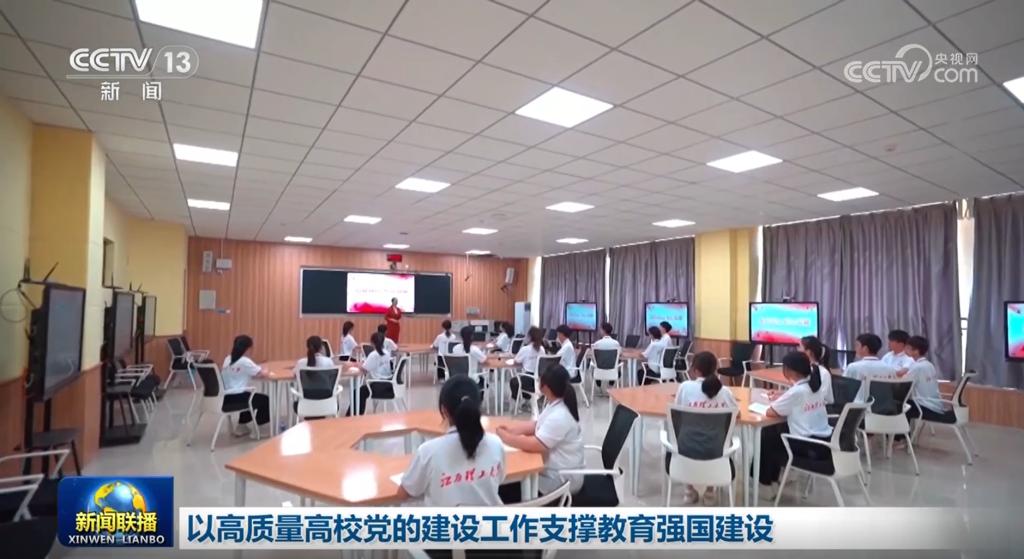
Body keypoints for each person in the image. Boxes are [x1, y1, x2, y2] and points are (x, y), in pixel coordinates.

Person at [397, 376, 505, 506]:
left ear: (444, 410)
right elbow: (499, 479)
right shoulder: (495, 444)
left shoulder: (428, 452)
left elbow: (403, 493)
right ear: (478, 406)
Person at [497, 365, 584, 502]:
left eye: (539, 381)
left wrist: (506, 438)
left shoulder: (560, 415)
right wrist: (512, 431)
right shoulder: (555, 403)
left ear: (546, 387)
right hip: (553, 470)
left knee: (503, 490)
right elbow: (537, 425)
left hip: (560, 479)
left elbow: (537, 444)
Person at [758, 351, 833, 496]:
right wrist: (783, 396)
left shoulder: (797, 391)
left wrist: (780, 400)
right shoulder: (814, 387)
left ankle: (765, 483)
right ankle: (771, 479)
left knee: (768, 436)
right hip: (825, 441)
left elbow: (771, 412)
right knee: (774, 431)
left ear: (789, 371)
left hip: (809, 446)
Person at [671, 350, 737, 504]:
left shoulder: (685, 387)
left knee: (686, 434)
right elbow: (736, 414)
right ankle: (709, 491)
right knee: (717, 438)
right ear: (715, 369)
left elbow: (677, 411)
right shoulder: (725, 392)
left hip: (685, 450)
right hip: (716, 452)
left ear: (696, 370)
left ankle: (689, 490)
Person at [221, 335, 270, 435]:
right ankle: (259, 429)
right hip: (237, 397)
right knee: (265, 400)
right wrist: (266, 368)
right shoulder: (245, 361)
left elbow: (249, 371)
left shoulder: (228, 358)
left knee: (249, 395)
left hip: (226, 397)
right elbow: (262, 373)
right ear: (248, 348)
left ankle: (242, 426)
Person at [901, 336, 947, 422]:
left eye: (908, 348)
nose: (905, 350)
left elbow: (904, 384)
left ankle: (902, 431)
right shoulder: (929, 365)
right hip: (936, 404)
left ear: (916, 351)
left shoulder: (917, 367)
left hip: (925, 406)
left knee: (900, 405)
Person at [844, 333, 898, 401]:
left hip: (859, 404)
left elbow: (844, 387)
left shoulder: (853, 367)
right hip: (885, 405)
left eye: (857, 345)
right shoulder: (890, 369)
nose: (855, 349)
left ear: (865, 348)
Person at [355, 332, 394, 415]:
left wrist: (357, 364)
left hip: (377, 386)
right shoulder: (386, 353)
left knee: (358, 392)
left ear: (372, 343)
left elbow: (364, 369)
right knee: (361, 390)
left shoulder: (373, 355)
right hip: (388, 384)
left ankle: (356, 415)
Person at [511, 327, 544, 406]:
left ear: (529, 337)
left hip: (529, 379)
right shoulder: (542, 349)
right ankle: (526, 399)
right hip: (540, 380)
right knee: (521, 379)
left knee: (513, 381)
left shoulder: (525, 349)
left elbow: (516, 361)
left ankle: (516, 402)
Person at [452, 325, 489, 390]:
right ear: (472, 336)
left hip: (457, 379)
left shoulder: (455, 348)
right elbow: (485, 360)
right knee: (484, 382)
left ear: (461, 336)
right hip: (472, 380)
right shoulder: (474, 349)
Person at [800, 336, 834, 405]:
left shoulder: (823, 373)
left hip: (819, 407)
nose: (797, 350)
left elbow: (820, 397)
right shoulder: (803, 369)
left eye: (800, 347)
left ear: (809, 352)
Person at [592, 322, 621, 390]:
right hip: (613, 373)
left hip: (599, 372)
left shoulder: (596, 344)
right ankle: (610, 386)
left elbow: (594, 357)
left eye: (600, 329)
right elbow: (620, 354)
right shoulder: (616, 343)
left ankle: (599, 387)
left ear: (603, 330)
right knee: (616, 366)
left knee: (595, 366)